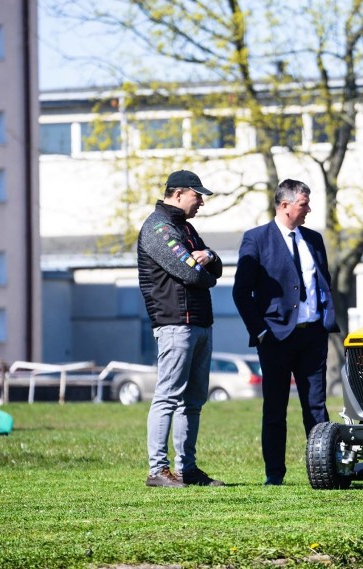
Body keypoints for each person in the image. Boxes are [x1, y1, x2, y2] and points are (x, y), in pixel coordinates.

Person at [232, 178, 340, 486]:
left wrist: (324, 321)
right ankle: (274, 475)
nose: (309, 210)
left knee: (316, 407)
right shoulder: (256, 239)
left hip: (313, 337)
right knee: (276, 408)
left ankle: (324, 471)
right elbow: (242, 293)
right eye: (304, 204)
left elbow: (324, 283)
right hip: (276, 338)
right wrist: (261, 332)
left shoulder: (314, 240)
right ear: (285, 206)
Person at [138, 169, 225, 488]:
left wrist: (209, 257)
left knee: (194, 400)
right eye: (197, 194)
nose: (201, 201)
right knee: (168, 396)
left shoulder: (185, 228)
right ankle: (158, 470)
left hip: (199, 321)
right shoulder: (159, 228)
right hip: (175, 322)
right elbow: (191, 273)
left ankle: (187, 469)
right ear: (178, 193)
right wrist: (206, 269)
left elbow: (213, 265)